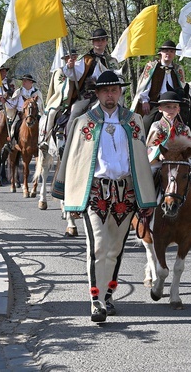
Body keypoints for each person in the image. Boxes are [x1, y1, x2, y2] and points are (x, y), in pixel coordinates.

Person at [52, 70, 156, 323]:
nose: (111, 95)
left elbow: (141, 160)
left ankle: (108, 294)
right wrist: (70, 196)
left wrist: (146, 196)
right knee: (98, 246)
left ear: (120, 92)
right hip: (96, 191)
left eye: (115, 90)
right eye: (105, 90)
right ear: (97, 93)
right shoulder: (83, 122)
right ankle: (96, 301)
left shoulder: (134, 121)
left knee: (115, 249)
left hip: (126, 192)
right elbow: (74, 160)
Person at [146, 91, 191, 209]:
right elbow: (150, 146)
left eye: (174, 107)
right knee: (151, 171)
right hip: (161, 160)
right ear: (160, 109)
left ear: (178, 109)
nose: (171, 110)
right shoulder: (156, 126)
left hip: (181, 160)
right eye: (168, 107)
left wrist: (186, 155)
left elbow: (190, 146)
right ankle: (146, 199)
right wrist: (159, 154)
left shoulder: (184, 127)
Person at [63, 28, 115, 130]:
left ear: (106, 42)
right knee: (74, 115)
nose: (100, 42)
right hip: (88, 95)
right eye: (97, 40)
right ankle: (68, 143)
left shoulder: (112, 61)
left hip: (109, 95)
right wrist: (70, 66)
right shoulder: (85, 59)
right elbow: (75, 75)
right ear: (93, 42)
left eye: (102, 39)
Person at [130, 39, 186, 120]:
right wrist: (144, 101)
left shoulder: (178, 69)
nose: (169, 53)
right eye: (166, 51)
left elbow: (182, 88)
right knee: (146, 122)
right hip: (156, 104)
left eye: (171, 51)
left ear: (174, 54)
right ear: (161, 53)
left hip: (174, 105)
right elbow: (145, 86)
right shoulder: (152, 67)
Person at [39, 49, 77, 150]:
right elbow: (58, 86)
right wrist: (70, 79)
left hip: (77, 99)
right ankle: (44, 139)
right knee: (52, 114)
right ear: (65, 59)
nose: (72, 59)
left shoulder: (79, 70)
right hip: (61, 101)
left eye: (74, 57)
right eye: (69, 57)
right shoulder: (60, 71)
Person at [7, 74, 43, 143]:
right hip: (21, 114)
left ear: (31, 82)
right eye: (23, 81)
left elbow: (40, 105)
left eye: (25, 81)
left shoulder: (37, 92)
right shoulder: (18, 92)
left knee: (42, 125)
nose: (23, 82)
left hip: (33, 115)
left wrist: (34, 103)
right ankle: (12, 142)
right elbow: (12, 105)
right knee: (14, 126)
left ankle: (41, 142)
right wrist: (6, 101)